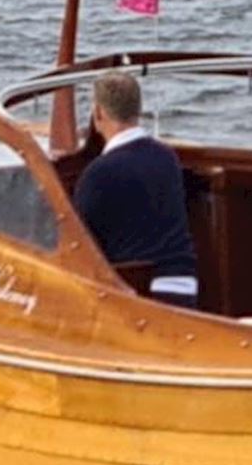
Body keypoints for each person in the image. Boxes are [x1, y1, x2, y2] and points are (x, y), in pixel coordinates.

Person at [73, 72, 199, 307]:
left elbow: (78, 243)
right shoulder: (167, 158)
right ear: (138, 110)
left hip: (140, 295)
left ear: (98, 113)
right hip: (185, 285)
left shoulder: (98, 173)